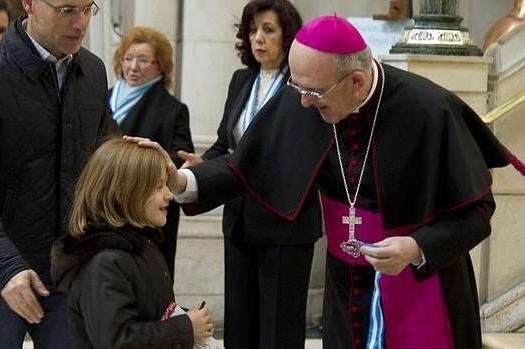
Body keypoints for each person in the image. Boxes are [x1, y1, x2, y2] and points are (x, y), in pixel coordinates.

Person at [127, 15, 523, 349]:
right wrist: (180, 180)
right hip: (345, 284)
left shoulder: (429, 110)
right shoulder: (305, 95)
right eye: (298, 88)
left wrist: (417, 247)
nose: (303, 103)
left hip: (422, 284)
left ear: (355, 80)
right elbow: (243, 168)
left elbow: (478, 212)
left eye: (314, 92)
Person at [0, 0, 118, 348]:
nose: (80, 24)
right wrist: (6, 266)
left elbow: (100, 157)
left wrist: (143, 164)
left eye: (87, 9)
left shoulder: (92, 71)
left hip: (69, 268)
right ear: (30, 4)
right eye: (66, 10)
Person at [177, 1, 314, 348]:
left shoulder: (301, 85)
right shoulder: (242, 80)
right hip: (239, 218)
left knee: (278, 329)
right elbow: (226, 145)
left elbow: (294, 154)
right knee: (240, 325)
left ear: (288, 35)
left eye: (268, 30)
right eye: (253, 30)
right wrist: (203, 165)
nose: (258, 39)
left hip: (285, 221)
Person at [50, 138, 213, 348]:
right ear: (123, 193)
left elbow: (150, 310)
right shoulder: (103, 263)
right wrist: (186, 326)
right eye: (158, 186)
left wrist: (187, 318)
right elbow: (118, 341)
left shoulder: (143, 246)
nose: (169, 194)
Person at [108, 26, 194, 282]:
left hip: (147, 209)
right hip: (106, 205)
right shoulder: (102, 98)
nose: (133, 67)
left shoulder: (173, 109)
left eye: (143, 60)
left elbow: (178, 157)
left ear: (160, 66)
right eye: (128, 58)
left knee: (147, 282)